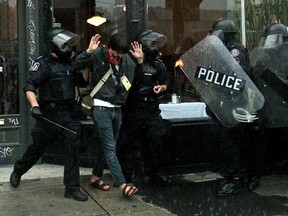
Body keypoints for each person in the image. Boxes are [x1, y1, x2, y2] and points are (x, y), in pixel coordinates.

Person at [9, 27, 88, 201]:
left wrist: (85, 62)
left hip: (70, 113)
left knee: (73, 148)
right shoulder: (43, 63)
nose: (68, 47)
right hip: (50, 115)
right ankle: (18, 170)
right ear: (55, 45)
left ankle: (72, 187)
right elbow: (30, 86)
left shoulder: (70, 63)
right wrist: (35, 106)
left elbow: (82, 81)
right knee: (38, 147)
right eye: (65, 44)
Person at [74, 33, 144, 198]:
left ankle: (96, 177)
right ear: (108, 47)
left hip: (117, 109)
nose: (117, 56)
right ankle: (122, 185)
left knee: (109, 147)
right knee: (110, 148)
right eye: (115, 53)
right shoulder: (98, 54)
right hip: (101, 109)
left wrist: (140, 61)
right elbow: (76, 66)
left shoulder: (127, 59)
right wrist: (88, 52)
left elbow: (139, 81)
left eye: (120, 53)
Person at [207, 19, 267, 197]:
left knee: (230, 140)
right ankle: (233, 174)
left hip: (235, 104)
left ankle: (233, 179)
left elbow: (238, 76)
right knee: (229, 140)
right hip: (226, 104)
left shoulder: (234, 49)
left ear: (224, 34)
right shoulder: (224, 48)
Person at [118, 29, 170, 185]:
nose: (155, 47)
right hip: (134, 108)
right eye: (151, 43)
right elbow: (127, 83)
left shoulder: (157, 64)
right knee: (128, 142)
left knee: (157, 138)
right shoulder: (128, 61)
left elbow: (166, 81)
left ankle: (155, 172)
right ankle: (126, 176)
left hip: (151, 108)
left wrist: (163, 87)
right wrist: (140, 62)